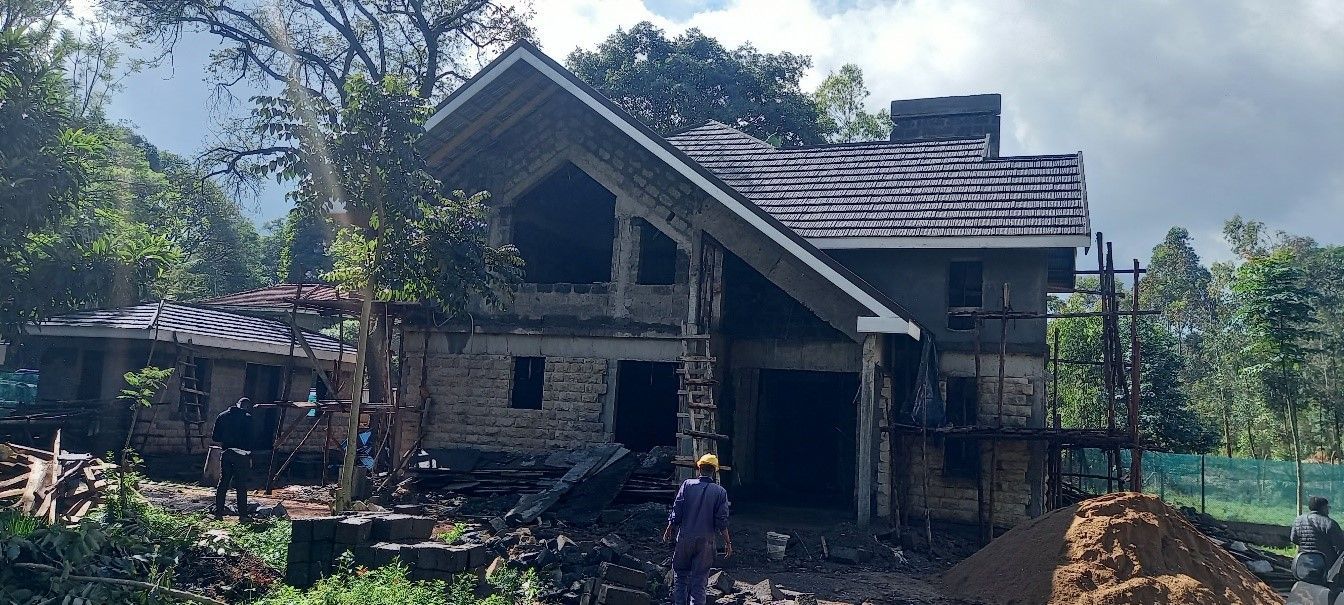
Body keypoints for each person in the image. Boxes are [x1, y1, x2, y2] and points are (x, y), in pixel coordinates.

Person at [663, 453, 732, 605]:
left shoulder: (687, 485)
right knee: (699, 581)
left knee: (680, 577)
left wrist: (670, 527)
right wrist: (728, 542)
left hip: (684, 539)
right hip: (706, 543)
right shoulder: (720, 492)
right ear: (714, 471)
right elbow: (721, 521)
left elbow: (677, 509)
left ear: (699, 468)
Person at [1291, 495, 1344, 602]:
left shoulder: (1298, 520)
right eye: (1327, 507)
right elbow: (1341, 547)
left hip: (1304, 565)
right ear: (1323, 508)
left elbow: (1294, 539)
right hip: (1326, 568)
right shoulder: (1329, 523)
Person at [211, 397, 255, 520]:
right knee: (241, 484)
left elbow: (215, 437)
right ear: (246, 406)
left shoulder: (222, 416)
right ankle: (243, 515)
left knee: (223, 482)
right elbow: (252, 439)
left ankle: (218, 513)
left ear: (236, 404)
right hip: (242, 454)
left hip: (227, 452)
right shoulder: (247, 418)